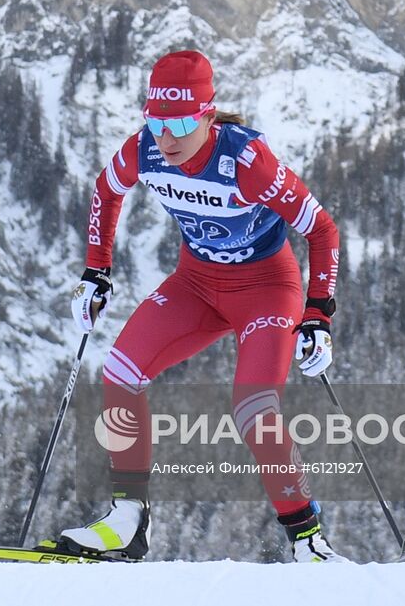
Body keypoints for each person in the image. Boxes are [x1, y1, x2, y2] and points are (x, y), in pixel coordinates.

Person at [59, 49, 347, 563]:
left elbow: (321, 230)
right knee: (120, 372)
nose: (166, 138)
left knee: (254, 409)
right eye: (155, 121)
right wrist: (96, 272)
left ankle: (308, 540)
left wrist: (318, 314)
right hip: (196, 283)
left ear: (208, 116)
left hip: (266, 286)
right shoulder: (145, 149)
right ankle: (127, 521)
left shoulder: (247, 162)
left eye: (182, 122)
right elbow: (106, 192)